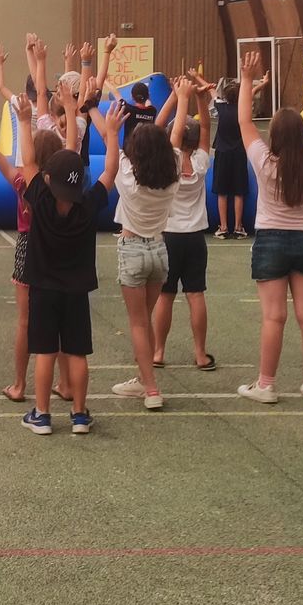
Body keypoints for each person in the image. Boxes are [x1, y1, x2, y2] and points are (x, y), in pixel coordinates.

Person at [234, 50, 303, 405]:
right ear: (302, 136)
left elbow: (244, 123)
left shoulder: (265, 163)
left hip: (270, 240)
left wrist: (249, 80)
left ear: (275, 138)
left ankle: (266, 385)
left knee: (274, 316)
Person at [18, 112, 118, 436]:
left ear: (48, 180)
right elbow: (111, 170)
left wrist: (23, 121)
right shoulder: (88, 207)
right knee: (77, 352)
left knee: (45, 352)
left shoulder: (41, 201)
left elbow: (28, 162)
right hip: (76, 292)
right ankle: (79, 414)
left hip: (43, 290)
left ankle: (43, 414)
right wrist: (113, 134)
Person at [0, 85, 65, 404]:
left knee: (25, 319)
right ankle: (64, 382)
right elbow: (72, 146)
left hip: (27, 247)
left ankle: (21, 384)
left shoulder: (24, 182)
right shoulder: (66, 189)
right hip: (56, 249)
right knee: (59, 318)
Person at [102, 84, 180, 411]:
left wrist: (110, 129)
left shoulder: (128, 178)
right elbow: (168, 140)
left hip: (133, 249)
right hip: (159, 251)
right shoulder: (172, 176)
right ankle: (143, 377)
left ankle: (150, 388)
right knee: (144, 321)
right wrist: (180, 97)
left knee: (137, 323)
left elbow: (112, 154)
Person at [150, 76, 216, 372]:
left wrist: (179, 97)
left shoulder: (168, 161)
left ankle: (159, 351)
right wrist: (200, 98)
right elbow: (205, 128)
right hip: (194, 238)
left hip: (169, 236)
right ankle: (200, 353)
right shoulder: (201, 163)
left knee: (165, 295)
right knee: (196, 294)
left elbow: (170, 135)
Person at [210, 69, 264, 238]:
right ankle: (239, 226)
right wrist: (263, 83)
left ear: (225, 97)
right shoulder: (243, 110)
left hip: (222, 154)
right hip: (239, 154)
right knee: (239, 191)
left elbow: (211, 91)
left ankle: (224, 227)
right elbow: (252, 92)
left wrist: (198, 79)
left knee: (222, 192)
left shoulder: (221, 106)